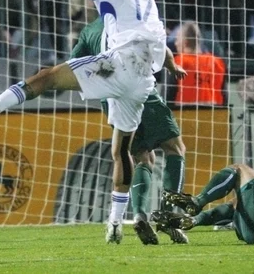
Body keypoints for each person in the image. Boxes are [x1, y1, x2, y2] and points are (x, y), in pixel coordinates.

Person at [0, 0, 166, 245]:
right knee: (122, 150)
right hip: (144, 78)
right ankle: (115, 222)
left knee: (47, 77)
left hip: (118, 64)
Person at [71, 17, 189, 244]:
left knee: (141, 156)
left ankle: (139, 215)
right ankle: (168, 214)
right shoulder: (131, 17)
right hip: (141, 90)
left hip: (111, 99)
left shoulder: (90, 30)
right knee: (175, 148)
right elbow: (159, 47)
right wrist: (172, 66)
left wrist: (101, 83)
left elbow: (74, 63)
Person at [170, 21, 226, 106]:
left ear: (185, 42)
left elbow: (168, 95)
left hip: (183, 114)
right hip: (215, 116)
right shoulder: (217, 63)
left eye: (177, 39)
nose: (175, 43)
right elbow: (224, 96)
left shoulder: (177, 63)